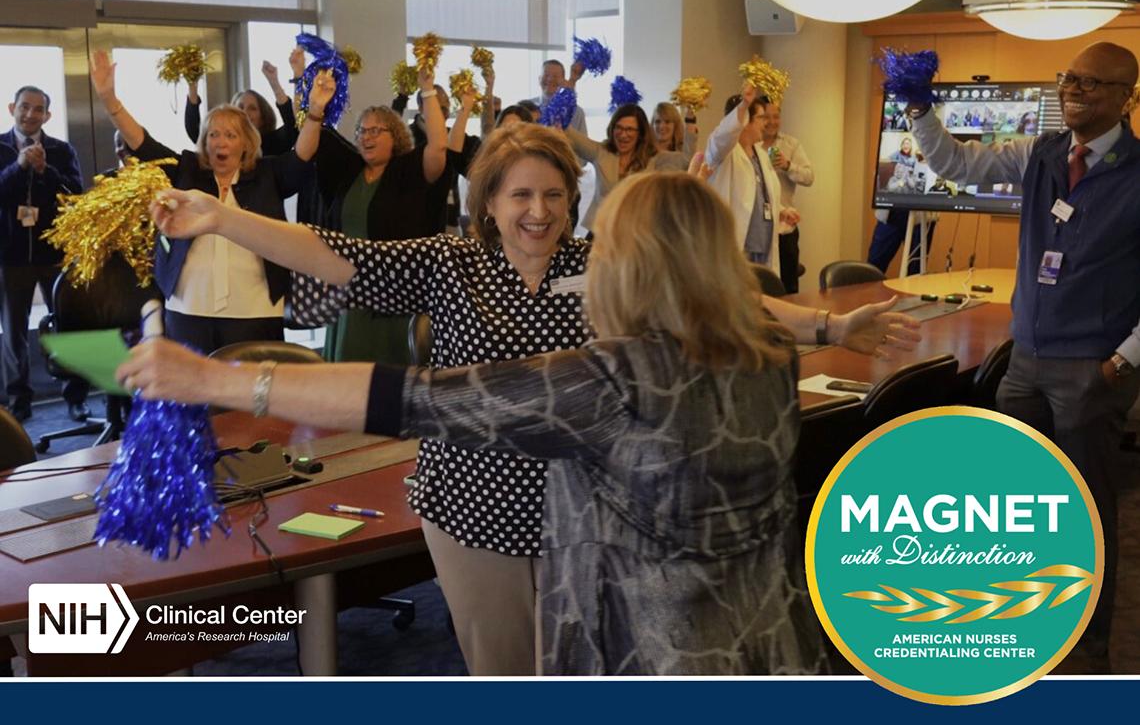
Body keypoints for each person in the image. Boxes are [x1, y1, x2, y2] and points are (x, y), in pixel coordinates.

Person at [127, 122, 919, 675]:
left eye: (553, 196)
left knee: (580, 661)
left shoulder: (605, 262)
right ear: (489, 204)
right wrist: (226, 219)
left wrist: (828, 323)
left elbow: (717, 297)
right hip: (479, 507)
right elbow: (339, 259)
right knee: (508, 669)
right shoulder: (452, 261)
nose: (538, 212)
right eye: (519, 197)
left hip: (598, 511)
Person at [907, 41, 1140, 672]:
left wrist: (1121, 363)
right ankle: (1029, 631)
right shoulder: (1037, 152)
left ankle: (1086, 656)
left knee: (1086, 514)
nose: (1076, 90)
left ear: (1126, 97)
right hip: (1027, 363)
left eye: (1094, 83)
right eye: (1072, 78)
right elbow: (955, 161)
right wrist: (918, 109)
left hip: (1092, 370)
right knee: (1019, 509)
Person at [89, 50, 318, 354]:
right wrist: (110, 100)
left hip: (255, 309)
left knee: (247, 396)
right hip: (188, 307)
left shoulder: (268, 174)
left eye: (230, 135)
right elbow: (142, 144)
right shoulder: (187, 170)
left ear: (246, 143)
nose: (220, 142)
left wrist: (314, 113)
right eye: (213, 134)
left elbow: (302, 155)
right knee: (192, 396)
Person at [308, 66, 447, 365]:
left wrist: (428, 90)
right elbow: (311, 136)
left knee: (389, 376)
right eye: (362, 131)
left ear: (395, 136)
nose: (366, 136)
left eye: (375, 130)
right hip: (348, 290)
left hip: (392, 294)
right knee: (348, 374)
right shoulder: (349, 174)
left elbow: (437, 145)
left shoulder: (407, 171)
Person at [0, 85, 89, 422]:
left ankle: (76, 397)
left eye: (38, 109)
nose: (30, 114)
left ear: (47, 116)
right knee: (13, 334)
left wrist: (44, 171)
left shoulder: (60, 149)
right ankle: (18, 402)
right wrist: (19, 166)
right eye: (24, 107)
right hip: (10, 255)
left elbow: (75, 194)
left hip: (55, 254)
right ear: (12, 108)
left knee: (68, 326)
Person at [705, 83, 799, 270]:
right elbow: (722, 137)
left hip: (763, 247)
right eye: (761, 117)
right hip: (739, 246)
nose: (766, 123)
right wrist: (743, 106)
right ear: (745, 120)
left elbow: (760, 195)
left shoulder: (761, 154)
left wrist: (780, 211)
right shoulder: (723, 152)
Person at [564, 104, 688, 232]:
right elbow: (570, 135)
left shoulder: (654, 159)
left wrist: (690, 118)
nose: (623, 135)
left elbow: (685, 159)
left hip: (634, 234)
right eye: (619, 128)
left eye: (629, 129)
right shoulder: (601, 151)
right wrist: (564, 98)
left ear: (640, 133)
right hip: (601, 231)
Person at [185, 51, 302, 157]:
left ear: (263, 118)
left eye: (252, 108)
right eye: (240, 107)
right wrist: (192, 85)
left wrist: (274, 83)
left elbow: (294, 125)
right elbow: (195, 130)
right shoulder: (221, 143)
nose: (245, 112)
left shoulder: (272, 143)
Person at [759, 100, 814, 294]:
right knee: (760, 288)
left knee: (788, 288)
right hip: (758, 229)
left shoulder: (791, 144)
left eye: (776, 116)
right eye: (766, 117)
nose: (772, 122)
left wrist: (787, 165)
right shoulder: (750, 145)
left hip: (785, 228)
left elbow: (809, 177)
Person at [530, 59, 587, 135]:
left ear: (563, 81)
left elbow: (583, 143)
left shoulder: (577, 112)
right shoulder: (526, 107)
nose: (550, 79)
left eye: (555, 76)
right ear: (539, 79)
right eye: (546, 75)